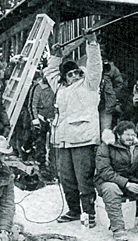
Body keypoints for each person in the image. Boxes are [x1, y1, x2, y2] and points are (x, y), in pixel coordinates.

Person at [44, 33, 102, 226]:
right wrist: (56, 56)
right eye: (70, 74)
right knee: (67, 179)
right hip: (63, 140)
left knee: (83, 178)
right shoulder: (60, 89)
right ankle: (74, 211)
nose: (75, 76)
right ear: (65, 78)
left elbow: (95, 67)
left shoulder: (90, 85)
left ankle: (89, 213)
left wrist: (91, 44)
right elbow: (50, 73)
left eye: (77, 72)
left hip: (83, 140)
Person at [95, 122, 138, 241]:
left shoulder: (136, 148)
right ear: (118, 135)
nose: (131, 138)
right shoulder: (105, 147)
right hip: (108, 181)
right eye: (127, 135)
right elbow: (105, 171)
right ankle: (118, 228)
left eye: (133, 134)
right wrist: (126, 184)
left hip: (130, 181)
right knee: (111, 189)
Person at [28, 69, 57, 181]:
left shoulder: (55, 86)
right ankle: (41, 165)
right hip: (41, 118)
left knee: (53, 143)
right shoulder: (38, 87)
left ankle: (52, 167)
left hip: (53, 118)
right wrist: (35, 120)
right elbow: (32, 104)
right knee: (40, 142)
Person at [98, 55, 124, 133]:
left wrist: (112, 95)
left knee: (105, 130)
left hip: (106, 105)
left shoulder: (112, 69)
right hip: (93, 105)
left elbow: (119, 84)